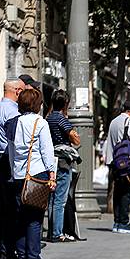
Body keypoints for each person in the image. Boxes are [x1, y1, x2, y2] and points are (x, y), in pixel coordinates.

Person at [7, 89, 56, 259]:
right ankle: (33, 258)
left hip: (19, 176)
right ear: (37, 105)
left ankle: (21, 258)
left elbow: (11, 152)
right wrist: (52, 173)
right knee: (35, 218)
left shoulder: (13, 123)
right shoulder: (40, 122)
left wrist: (14, 172)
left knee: (20, 217)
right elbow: (46, 151)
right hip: (37, 174)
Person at [0, 79, 24, 259]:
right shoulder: (12, 112)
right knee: (13, 210)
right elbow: (14, 140)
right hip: (7, 163)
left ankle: (3, 254)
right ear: (17, 91)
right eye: (23, 92)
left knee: (3, 210)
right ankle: (11, 253)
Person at [46, 90, 81, 242]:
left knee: (51, 199)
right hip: (62, 161)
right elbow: (76, 140)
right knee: (60, 199)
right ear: (65, 103)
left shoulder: (47, 119)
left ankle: (51, 231)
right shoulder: (62, 120)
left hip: (50, 159)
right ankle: (57, 233)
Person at [103, 100, 130, 234]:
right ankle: (124, 223)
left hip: (115, 162)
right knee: (126, 193)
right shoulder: (129, 121)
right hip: (127, 163)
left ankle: (117, 222)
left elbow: (109, 143)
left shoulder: (114, 121)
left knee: (118, 192)